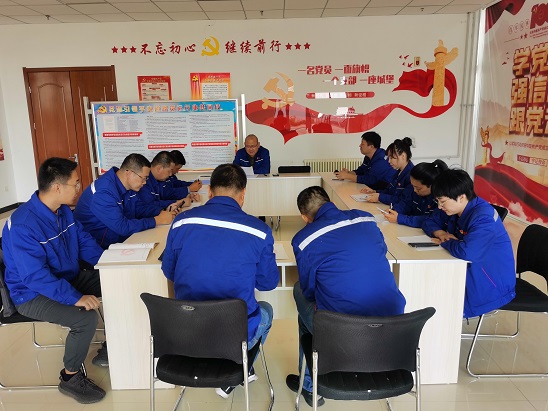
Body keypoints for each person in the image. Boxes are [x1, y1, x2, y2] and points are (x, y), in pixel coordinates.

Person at [161, 163, 279, 398]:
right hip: (232, 335)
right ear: (243, 194)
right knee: (265, 311)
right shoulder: (259, 231)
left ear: (209, 191)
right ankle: (241, 367)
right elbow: (268, 283)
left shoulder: (181, 222)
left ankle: (239, 368)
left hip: (185, 331)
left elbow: (170, 272)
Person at [286, 186, 406, 407]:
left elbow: (309, 290)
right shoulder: (367, 219)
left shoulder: (304, 239)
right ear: (329, 201)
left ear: (304, 217)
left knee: (300, 294)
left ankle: (310, 385)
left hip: (342, 334)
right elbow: (379, 251)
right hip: (392, 329)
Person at [2, 158, 107, 404]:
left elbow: (83, 241)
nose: (79, 188)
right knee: (85, 319)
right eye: (76, 183)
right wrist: (75, 298)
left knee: (115, 282)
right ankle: (70, 377)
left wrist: (111, 263)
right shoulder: (23, 225)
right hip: (31, 294)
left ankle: (113, 343)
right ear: (58, 187)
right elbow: (35, 277)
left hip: (65, 279)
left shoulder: (62, 212)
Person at [422, 169, 516, 318]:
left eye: (442, 201)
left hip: (489, 283)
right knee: (427, 289)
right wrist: (441, 234)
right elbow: (428, 222)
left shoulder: (483, 217)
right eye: (437, 201)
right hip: (468, 270)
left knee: (439, 306)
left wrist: (447, 241)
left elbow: (468, 252)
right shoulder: (455, 208)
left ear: (461, 197)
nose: (439, 206)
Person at [74, 153, 174, 249]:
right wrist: (157, 220)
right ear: (129, 173)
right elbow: (122, 227)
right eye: (143, 178)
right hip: (100, 246)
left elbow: (138, 207)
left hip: (121, 239)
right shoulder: (103, 192)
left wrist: (161, 211)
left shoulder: (127, 185)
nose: (144, 182)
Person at [384, 159, 448, 227]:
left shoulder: (440, 200)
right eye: (413, 186)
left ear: (431, 186)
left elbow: (429, 219)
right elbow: (406, 204)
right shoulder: (415, 191)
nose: (414, 190)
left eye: (418, 188)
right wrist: (395, 210)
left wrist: (400, 218)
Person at [135, 151, 197, 218]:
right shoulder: (144, 181)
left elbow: (162, 198)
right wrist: (176, 202)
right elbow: (149, 204)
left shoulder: (158, 179)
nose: (170, 174)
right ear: (159, 168)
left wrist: (176, 203)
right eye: (169, 171)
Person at [362, 137, 414, 204]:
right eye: (388, 157)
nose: (389, 161)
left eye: (392, 158)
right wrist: (375, 192)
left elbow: (403, 200)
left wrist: (379, 197)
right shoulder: (398, 172)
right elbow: (389, 191)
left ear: (403, 156)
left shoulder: (411, 176)